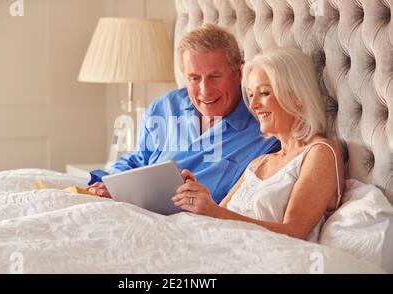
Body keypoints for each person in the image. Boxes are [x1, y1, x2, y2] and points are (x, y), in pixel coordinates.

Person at [87, 24, 280, 203]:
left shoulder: (265, 128)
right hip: (136, 207)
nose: (205, 90)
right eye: (194, 78)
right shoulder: (164, 107)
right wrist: (110, 183)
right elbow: (138, 159)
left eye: (215, 76)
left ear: (239, 72)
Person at [172, 47, 345, 242]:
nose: (253, 105)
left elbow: (294, 232)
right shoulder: (259, 162)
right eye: (251, 94)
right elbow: (219, 215)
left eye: (263, 93)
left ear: (296, 96)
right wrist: (199, 196)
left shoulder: (319, 152)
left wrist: (214, 212)